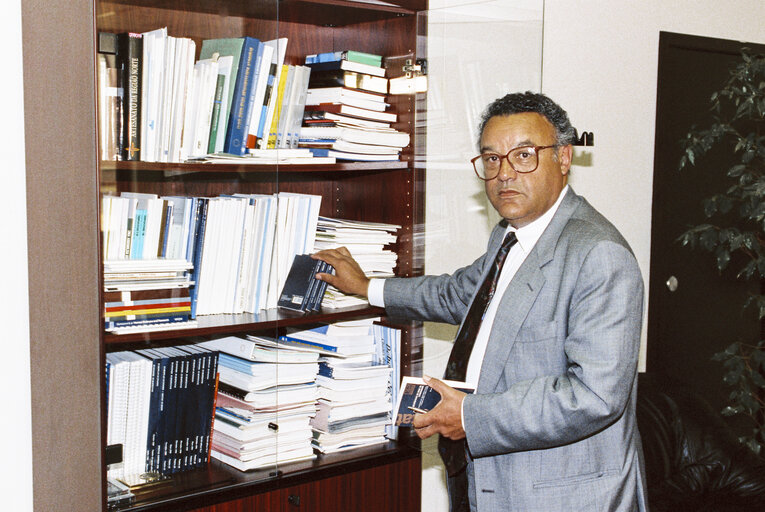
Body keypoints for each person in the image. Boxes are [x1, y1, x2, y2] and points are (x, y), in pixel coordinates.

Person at [312, 91, 647, 512]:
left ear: (564, 158)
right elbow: (457, 294)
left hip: (559, 494)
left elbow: (594, 396)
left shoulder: (598, 254)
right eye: (491, 159)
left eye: (523, 155)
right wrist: (366, 286)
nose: (505, 173)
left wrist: (470, 415)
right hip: (486, 477)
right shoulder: (510, 235)